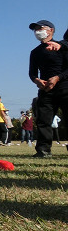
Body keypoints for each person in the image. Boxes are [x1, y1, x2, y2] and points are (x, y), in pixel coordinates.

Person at [28, 20, 68, 158]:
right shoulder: (35, 52)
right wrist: (37, 80)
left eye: (41, 28)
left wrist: (58, 77)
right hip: (46, 91)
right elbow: (32, 73)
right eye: (35, 29)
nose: (38, 31)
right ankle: (43, 150)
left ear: (51, 30)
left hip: (64, 88)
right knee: (43, 120)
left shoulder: (62, 47)